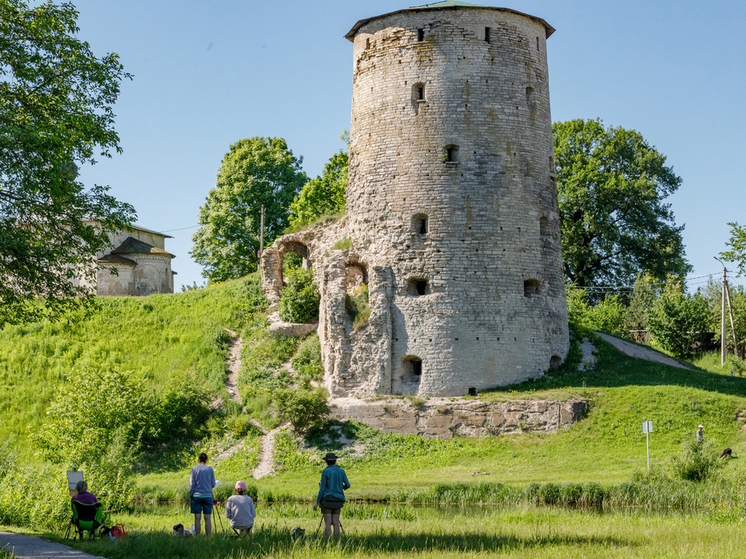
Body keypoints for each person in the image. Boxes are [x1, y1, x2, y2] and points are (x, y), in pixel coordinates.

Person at [313, 452, 350, 539]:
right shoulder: (341, 471)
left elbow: (322, 489)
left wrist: (317, 502)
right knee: (336, 522)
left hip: (328, 500)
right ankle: (337, 541)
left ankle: (328, 542)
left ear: (326, 462)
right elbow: (348, 485)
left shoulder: (325, 471)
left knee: (328, 522)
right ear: (335, 461)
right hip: (338, 500)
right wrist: (341, 487)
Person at [189, 452, 216, 536]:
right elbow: (213, 484)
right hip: (208, 496)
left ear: (198, 460)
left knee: (197, 518)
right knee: (207, 518)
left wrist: (191, 495)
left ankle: (198, 536)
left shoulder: (194, 469)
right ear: (206, 460)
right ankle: (208, 537)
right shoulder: (210, 469)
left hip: (196, 496)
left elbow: (191, 484)